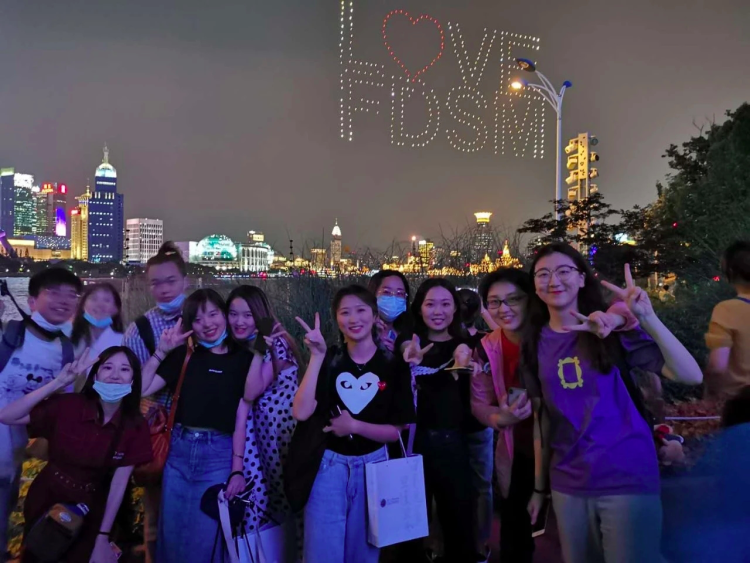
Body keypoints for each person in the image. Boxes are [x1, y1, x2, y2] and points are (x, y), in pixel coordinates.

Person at [522, 243, 702, 563]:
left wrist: (646, 317)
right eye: (543, 274)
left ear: (581, 279)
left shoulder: (610, 330)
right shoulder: (534, 343)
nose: (554, 280)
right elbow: (543, 420)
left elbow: (690, 375)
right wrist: (540, 488)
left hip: (626, 474)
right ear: (534, 285)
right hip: (568, 481)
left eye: (564, 271)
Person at [471, 269, 635, 563]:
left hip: (575, 448)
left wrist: (616, 317)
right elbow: (480, 402)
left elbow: (620, 314)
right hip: (521, 449)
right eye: (495, 302)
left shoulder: (559, 333)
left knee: (585, 536)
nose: (504, 309)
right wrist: (501, 419)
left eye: (513, 299)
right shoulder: (487, 348)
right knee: (516, 533)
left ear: (531, 299)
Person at [292, 285, 414, 563]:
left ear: (374, 316)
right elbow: (301, 412)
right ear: (336, 318)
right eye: (345, 312)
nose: (354, 319)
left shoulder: (393, 365)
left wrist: (354, 426)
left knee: (364, 554)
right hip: (328, 467)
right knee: (321, 553)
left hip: (374, 467)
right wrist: (316, 356)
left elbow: (395, 431)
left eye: (361, 310)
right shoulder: (330, 358)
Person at [0, 346, 152, 563]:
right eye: (107, 367)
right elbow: (8, 416)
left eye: (125, 369)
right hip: (47, 498)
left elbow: (119, 485)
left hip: (90, 507)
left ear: (133, 380)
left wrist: (102, 537)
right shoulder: (69, 406)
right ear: (95, 375)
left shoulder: (134, 425)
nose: (115, 375)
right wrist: (58, 383)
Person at [139, 289, 253, 563]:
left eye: (213, 314)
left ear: (224, 315)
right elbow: (141, 389)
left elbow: (243, 415)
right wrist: (161, 351)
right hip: (179, 450)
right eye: (198, 319)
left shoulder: (243, 359)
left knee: (205, 536)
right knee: (170, 533)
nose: (208, 324)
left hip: (218, 454)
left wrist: (237, 469)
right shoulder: (184, 355)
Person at [0, 268, 81, 562]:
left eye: (71, 294)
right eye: (53, 292)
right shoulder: (8, 334)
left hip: (14, 451)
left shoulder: (66, 350)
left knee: (5, 503)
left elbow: (61, 403)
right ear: (32, 300)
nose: (63, 300)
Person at [398, 278, 480, 563]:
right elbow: (405, 345)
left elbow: (463, 352)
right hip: (411, 447)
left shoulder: (464, 345)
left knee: (458, 522)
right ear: (419, 308)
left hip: (452, 445)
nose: (438, 311)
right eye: (430, 304)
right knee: (409, 526)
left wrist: (463, 358)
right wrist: (409, 353)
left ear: (455, 309)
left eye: (445, 304)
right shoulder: (410, 343)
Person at [121, 241, 187, 562]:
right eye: (155, 283)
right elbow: (128, 386)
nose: (163, 289)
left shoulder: (205, 317)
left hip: (201, 431)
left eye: (170, 281)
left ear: (185, 280)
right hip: (160, 433)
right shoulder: (140, 329)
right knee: (155, 515)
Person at [225, 285, 301, 534]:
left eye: (248, 315)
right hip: (263, 434)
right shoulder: (245, 344)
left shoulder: (275, 344)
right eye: (233, 314)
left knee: (282, 502)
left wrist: (259, 351)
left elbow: (250, 393)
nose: (239, 322)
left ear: (260, 315)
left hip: (279, 436)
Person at [705, 241, 750, 398]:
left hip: (740, 403)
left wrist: (710, 394)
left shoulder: (727, 310)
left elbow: (717, 367)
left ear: (729, 272)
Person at [70, 283, 125, 389]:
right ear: (83, 305)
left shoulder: (123, 342)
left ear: (116, 309)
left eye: (107, 300)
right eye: (94, 299)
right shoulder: (67, 338)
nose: (99, 304)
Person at [367, 270, 412, 352]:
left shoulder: (409, 334)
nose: (393, 298)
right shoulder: (360, 331)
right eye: (386, 292)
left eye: (400, 293)